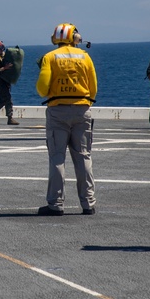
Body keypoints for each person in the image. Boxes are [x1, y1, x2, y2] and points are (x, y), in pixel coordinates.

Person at [35, 23, 98, 216]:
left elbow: (42, 89)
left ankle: (56, 204)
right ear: (75, 37)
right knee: (83, 157)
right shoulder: (85, 57)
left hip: (57, 112)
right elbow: (93, 86)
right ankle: (88, 203)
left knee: (57, 158)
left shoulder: (50, 57)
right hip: (82, 110)